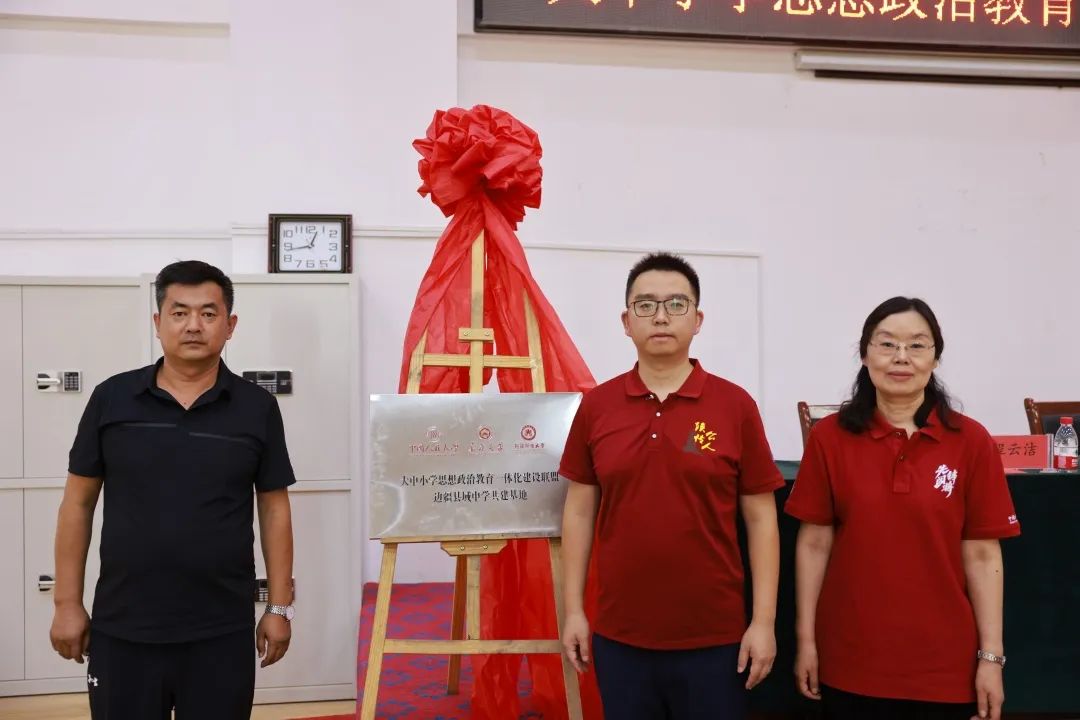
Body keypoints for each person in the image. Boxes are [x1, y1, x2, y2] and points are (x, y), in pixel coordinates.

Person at [49, 260, 297, 720]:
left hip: (221, 629)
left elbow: (274, 509)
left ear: (230, 326)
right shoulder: (112, 399)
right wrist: (67, 603)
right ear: (158, 322)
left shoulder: (256, 408)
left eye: (208, 313)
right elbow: (77, 504)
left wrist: (279, 607)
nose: (193, 325)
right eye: (179, 313)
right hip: (123, 626)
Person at [559, 252, 782, 719]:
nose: (660, 316)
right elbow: (578, 511)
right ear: (626, 322)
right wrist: (573, 610)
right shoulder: (598, 407)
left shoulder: (734, 405)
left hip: (716, 636)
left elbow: (762, 518)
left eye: (676, 304)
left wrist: (763, 622)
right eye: (645, 305)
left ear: (697, 319)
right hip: (620, 634)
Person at [786, 296, 1021, 720]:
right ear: (864, 354)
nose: (901, 357)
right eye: (886, 344)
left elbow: (984, 556)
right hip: (850, 660)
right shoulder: (830, 438)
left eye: (916, 345)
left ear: (935, 357)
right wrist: (806, 641)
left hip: (944, 666)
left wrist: (991, 658)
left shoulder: (970, 441)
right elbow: (814, 544)